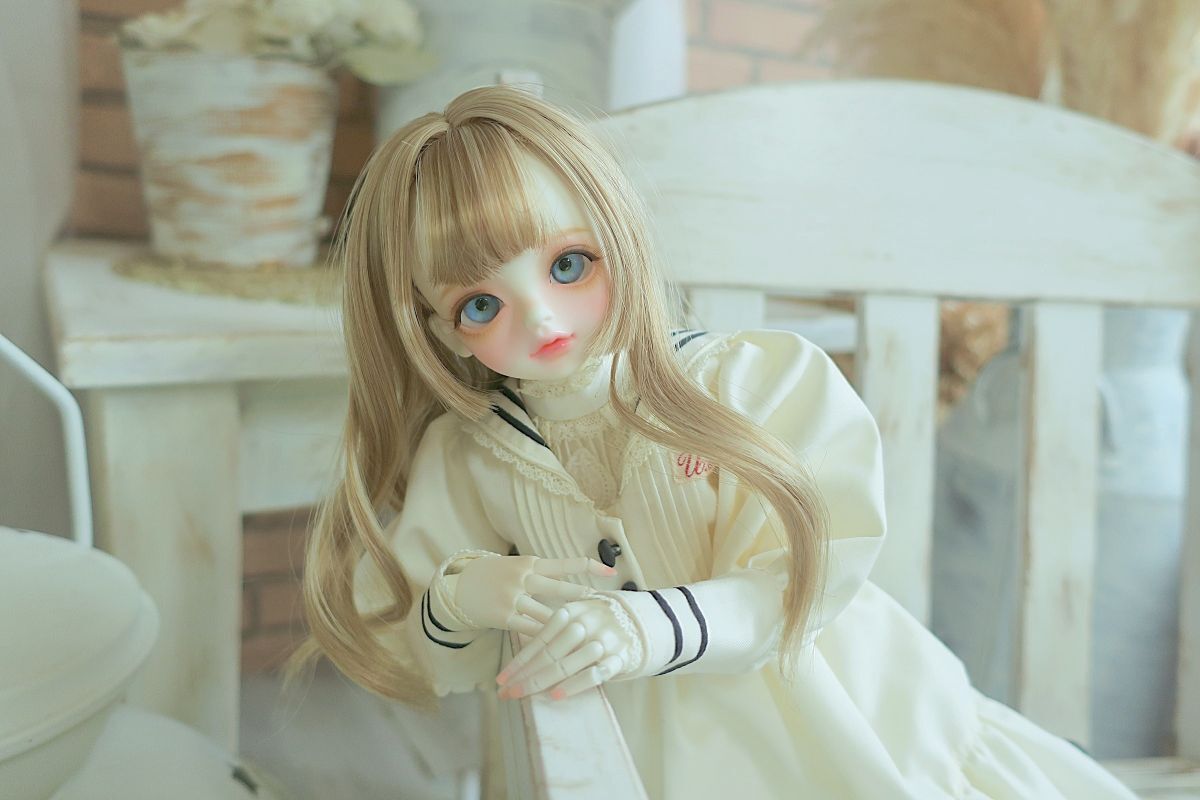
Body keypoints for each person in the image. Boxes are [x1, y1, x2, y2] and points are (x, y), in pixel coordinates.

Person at [285, 84, 1137, 799]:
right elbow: (430, 653)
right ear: (441, 333)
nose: (541, 318)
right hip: (624, 762)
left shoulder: (751, 387)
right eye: (481, 305)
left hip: (847, 732)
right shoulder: (475, 456)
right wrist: (464, 595)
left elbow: (810, 572)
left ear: (617, 230)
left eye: (569, 264)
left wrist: (652, 626)